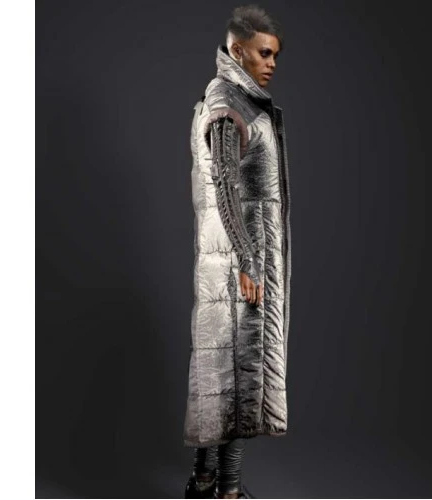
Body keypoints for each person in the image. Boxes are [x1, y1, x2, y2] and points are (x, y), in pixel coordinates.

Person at [183, 4, 292, 499]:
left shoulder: (237, 100)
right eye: (264, 53)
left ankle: (204, 481)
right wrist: (248, 260)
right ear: (237, 50)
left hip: (232, 263)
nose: (271, 63)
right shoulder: (228, 103)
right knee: (238, 378)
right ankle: (226, 489)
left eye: (275, 56)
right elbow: (225, 185)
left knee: (223, 377)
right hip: (237, 267)